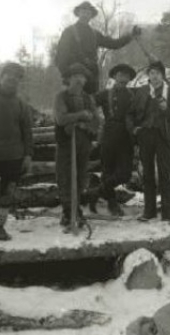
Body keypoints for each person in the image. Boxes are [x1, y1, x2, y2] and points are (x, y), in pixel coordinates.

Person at [0, 63, 33, 240]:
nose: (12, 81)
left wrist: (27, 155)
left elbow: (27, 130)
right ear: (1, 77)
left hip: (14, 157)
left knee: (6, 195)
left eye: (16, 78)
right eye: (9, 76)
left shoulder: (21, 103)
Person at [128, 61, 170, 222]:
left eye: (158, 73)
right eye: (152, 73)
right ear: (148, 76)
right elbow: (130, 113)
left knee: (165, 174)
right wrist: (134, 129)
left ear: (163, 75)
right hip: (145, 135)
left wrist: (167, 110)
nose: (155, 76)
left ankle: (168, 213)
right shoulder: (142, 91)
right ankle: (149, 211)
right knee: (147, 175)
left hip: (164, 136)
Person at [55, 1, 142, 94]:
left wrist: (130, 36)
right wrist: (67, 76)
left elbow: (113, 44)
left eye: (88, 12)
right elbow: (61, 56)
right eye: (83, 11)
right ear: (78, 13)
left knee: (92, 104)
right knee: (72, 105)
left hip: (91, 78)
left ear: (91, 15)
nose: (85, 14)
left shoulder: (94, 34)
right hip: (74, 78)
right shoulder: (69, 32)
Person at [53, 63, 100, 229]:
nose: (80, 80)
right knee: (65, 177)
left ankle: (76, 207)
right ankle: (68, 211)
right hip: (66, 143)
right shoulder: (61, 97)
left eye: (82, 77)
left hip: (83, 143)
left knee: (80, 177)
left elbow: (96, 121)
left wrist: (83, 125)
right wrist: (80, 115)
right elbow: (61, 119)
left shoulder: (88, 98)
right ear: (69, 79)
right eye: (76, 77)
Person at [94, 63, 137, 216]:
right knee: (107, 171)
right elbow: (89, 103)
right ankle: (112, 205)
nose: (123, 77)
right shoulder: (105, 94)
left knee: (125, 174)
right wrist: (95, 121)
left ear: (130, 78)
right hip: (109, 136)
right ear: (114, 76)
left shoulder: (134, 94)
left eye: (126, 75)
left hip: (126, 138)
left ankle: (96, 192)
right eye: (120, 74)